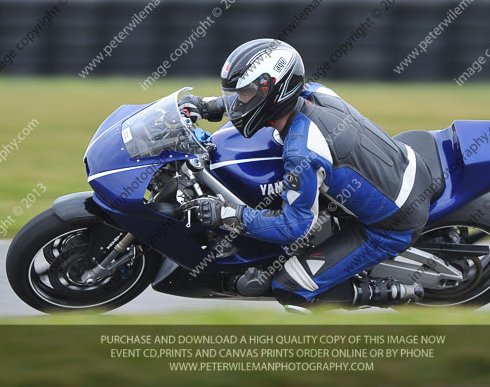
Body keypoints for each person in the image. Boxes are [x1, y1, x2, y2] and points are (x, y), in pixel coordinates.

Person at [179, 39, 432, 308]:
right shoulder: (314, 92)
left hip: (392, 224)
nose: (239, 103)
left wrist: (225, 213)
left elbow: (295, 226)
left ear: (273, 93)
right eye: (238, 95)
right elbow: (262, 99)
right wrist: (208, 106)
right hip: (405, 163)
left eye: (244, 95)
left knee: (289, 286)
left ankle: (383, 294)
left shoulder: (302, 152)